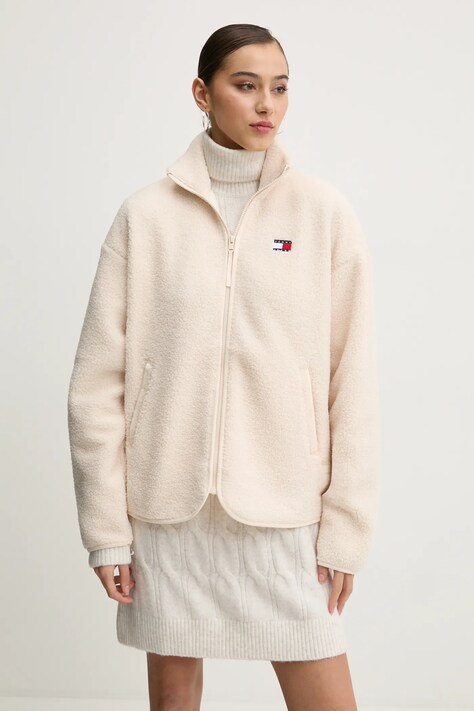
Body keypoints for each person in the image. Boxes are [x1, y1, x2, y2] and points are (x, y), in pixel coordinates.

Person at [67, 22, 379, 711]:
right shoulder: (145, 217)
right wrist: (106, 531)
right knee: (175, 696)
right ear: (202, 94)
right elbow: (96, 387)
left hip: (284, 509)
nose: (267, 104)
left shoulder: (323, 215)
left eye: (280, 87)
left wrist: (346, 528)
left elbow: (353, 384)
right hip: (168, 510)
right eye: (246, 85)